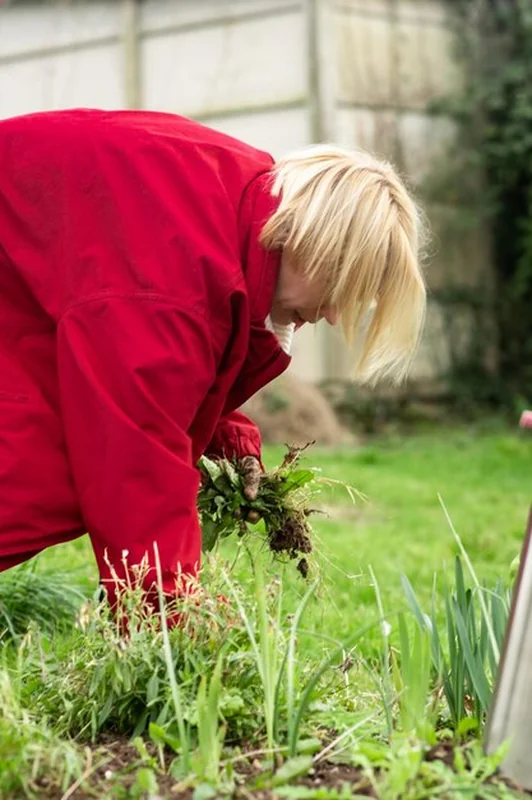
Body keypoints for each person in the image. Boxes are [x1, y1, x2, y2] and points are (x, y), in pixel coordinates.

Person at [0, 108, 426, 610]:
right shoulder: (180, 277)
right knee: (50, 467)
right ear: (317, 244)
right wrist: (175, 626)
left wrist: (230, 438)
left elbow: (162, 374)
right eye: (340, 287)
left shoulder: (233, 209)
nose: (333, 314)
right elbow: (136, 455)